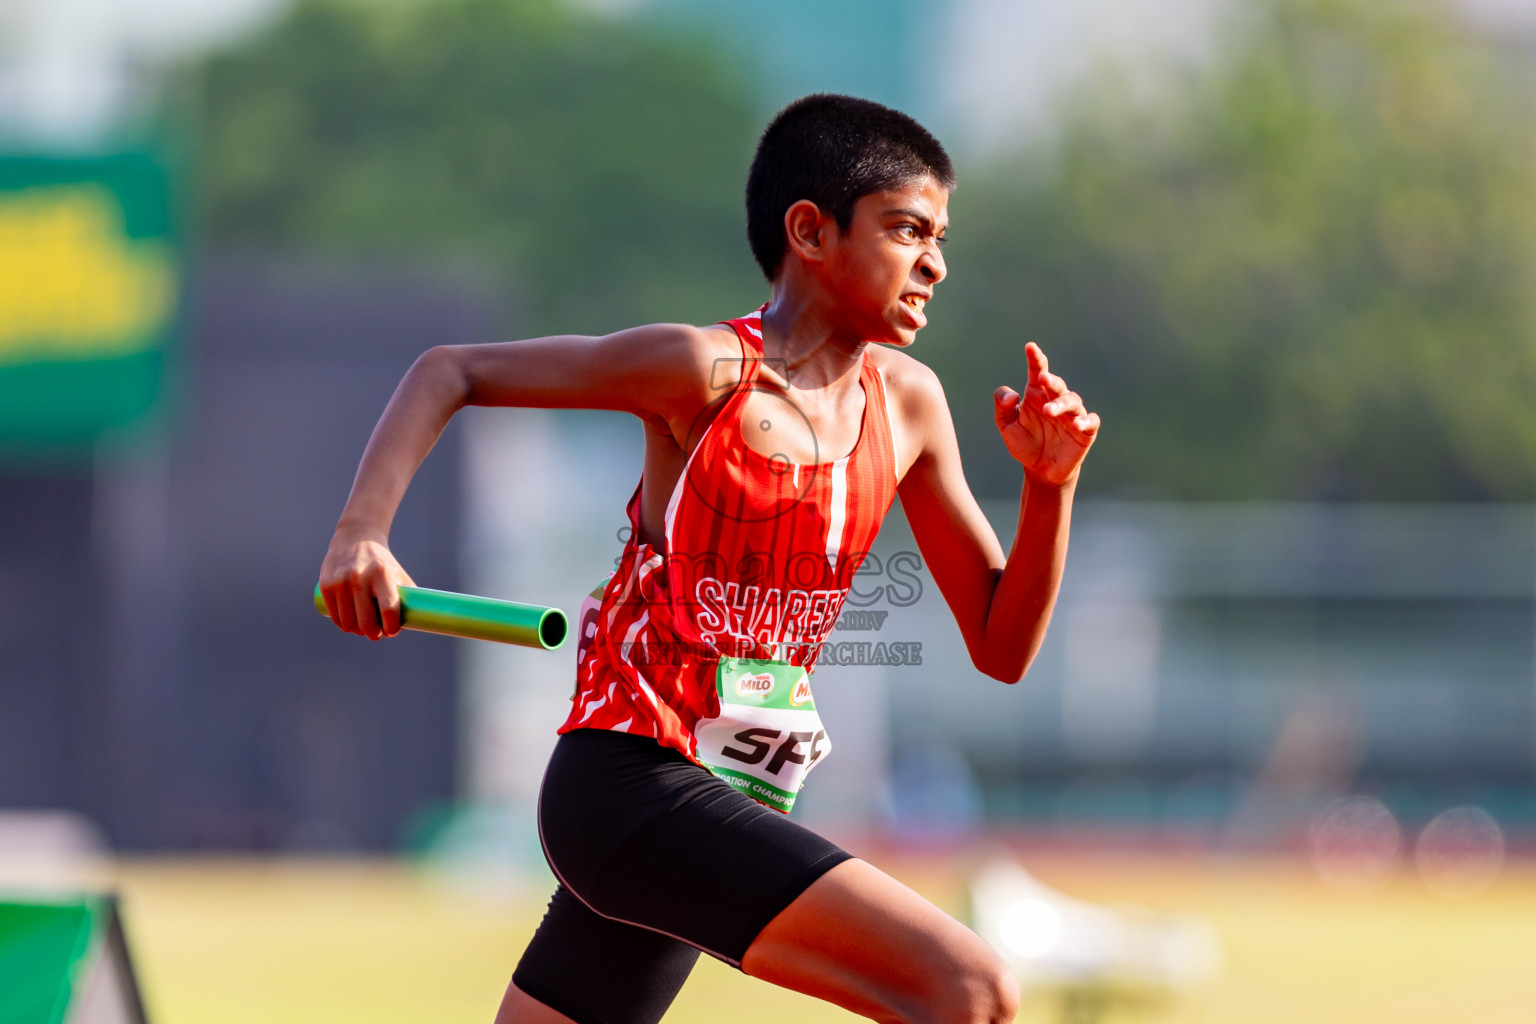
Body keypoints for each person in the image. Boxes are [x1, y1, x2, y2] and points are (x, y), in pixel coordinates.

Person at [318, 93, 1099, 1024]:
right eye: (906, 229)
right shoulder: (698, 373)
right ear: (809, 230)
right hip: (629, 785)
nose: (934, 262)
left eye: (940, 236)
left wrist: (1051, 486)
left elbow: (1001, 648)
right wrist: (361, 534)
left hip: (730, 791)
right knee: (969, 988)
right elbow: (449, 370)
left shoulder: (912, 406)